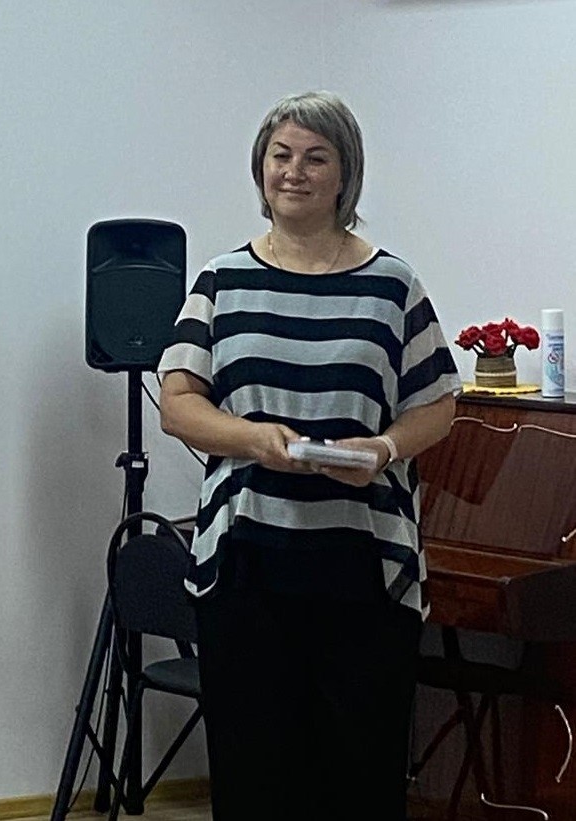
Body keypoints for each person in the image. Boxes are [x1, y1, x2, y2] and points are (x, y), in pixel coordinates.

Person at [158, 91, 461, 819]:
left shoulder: (392, 284)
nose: (294, 172)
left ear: (344, 174)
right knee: (255, 774)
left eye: (315, 157)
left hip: (366, 564)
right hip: (244, 561)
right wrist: (252, 438)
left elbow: (438, 404)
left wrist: (382, 447)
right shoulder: (222, 279)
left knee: (360, 774)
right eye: (281, 155)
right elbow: (177, 402)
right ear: (260, 169)